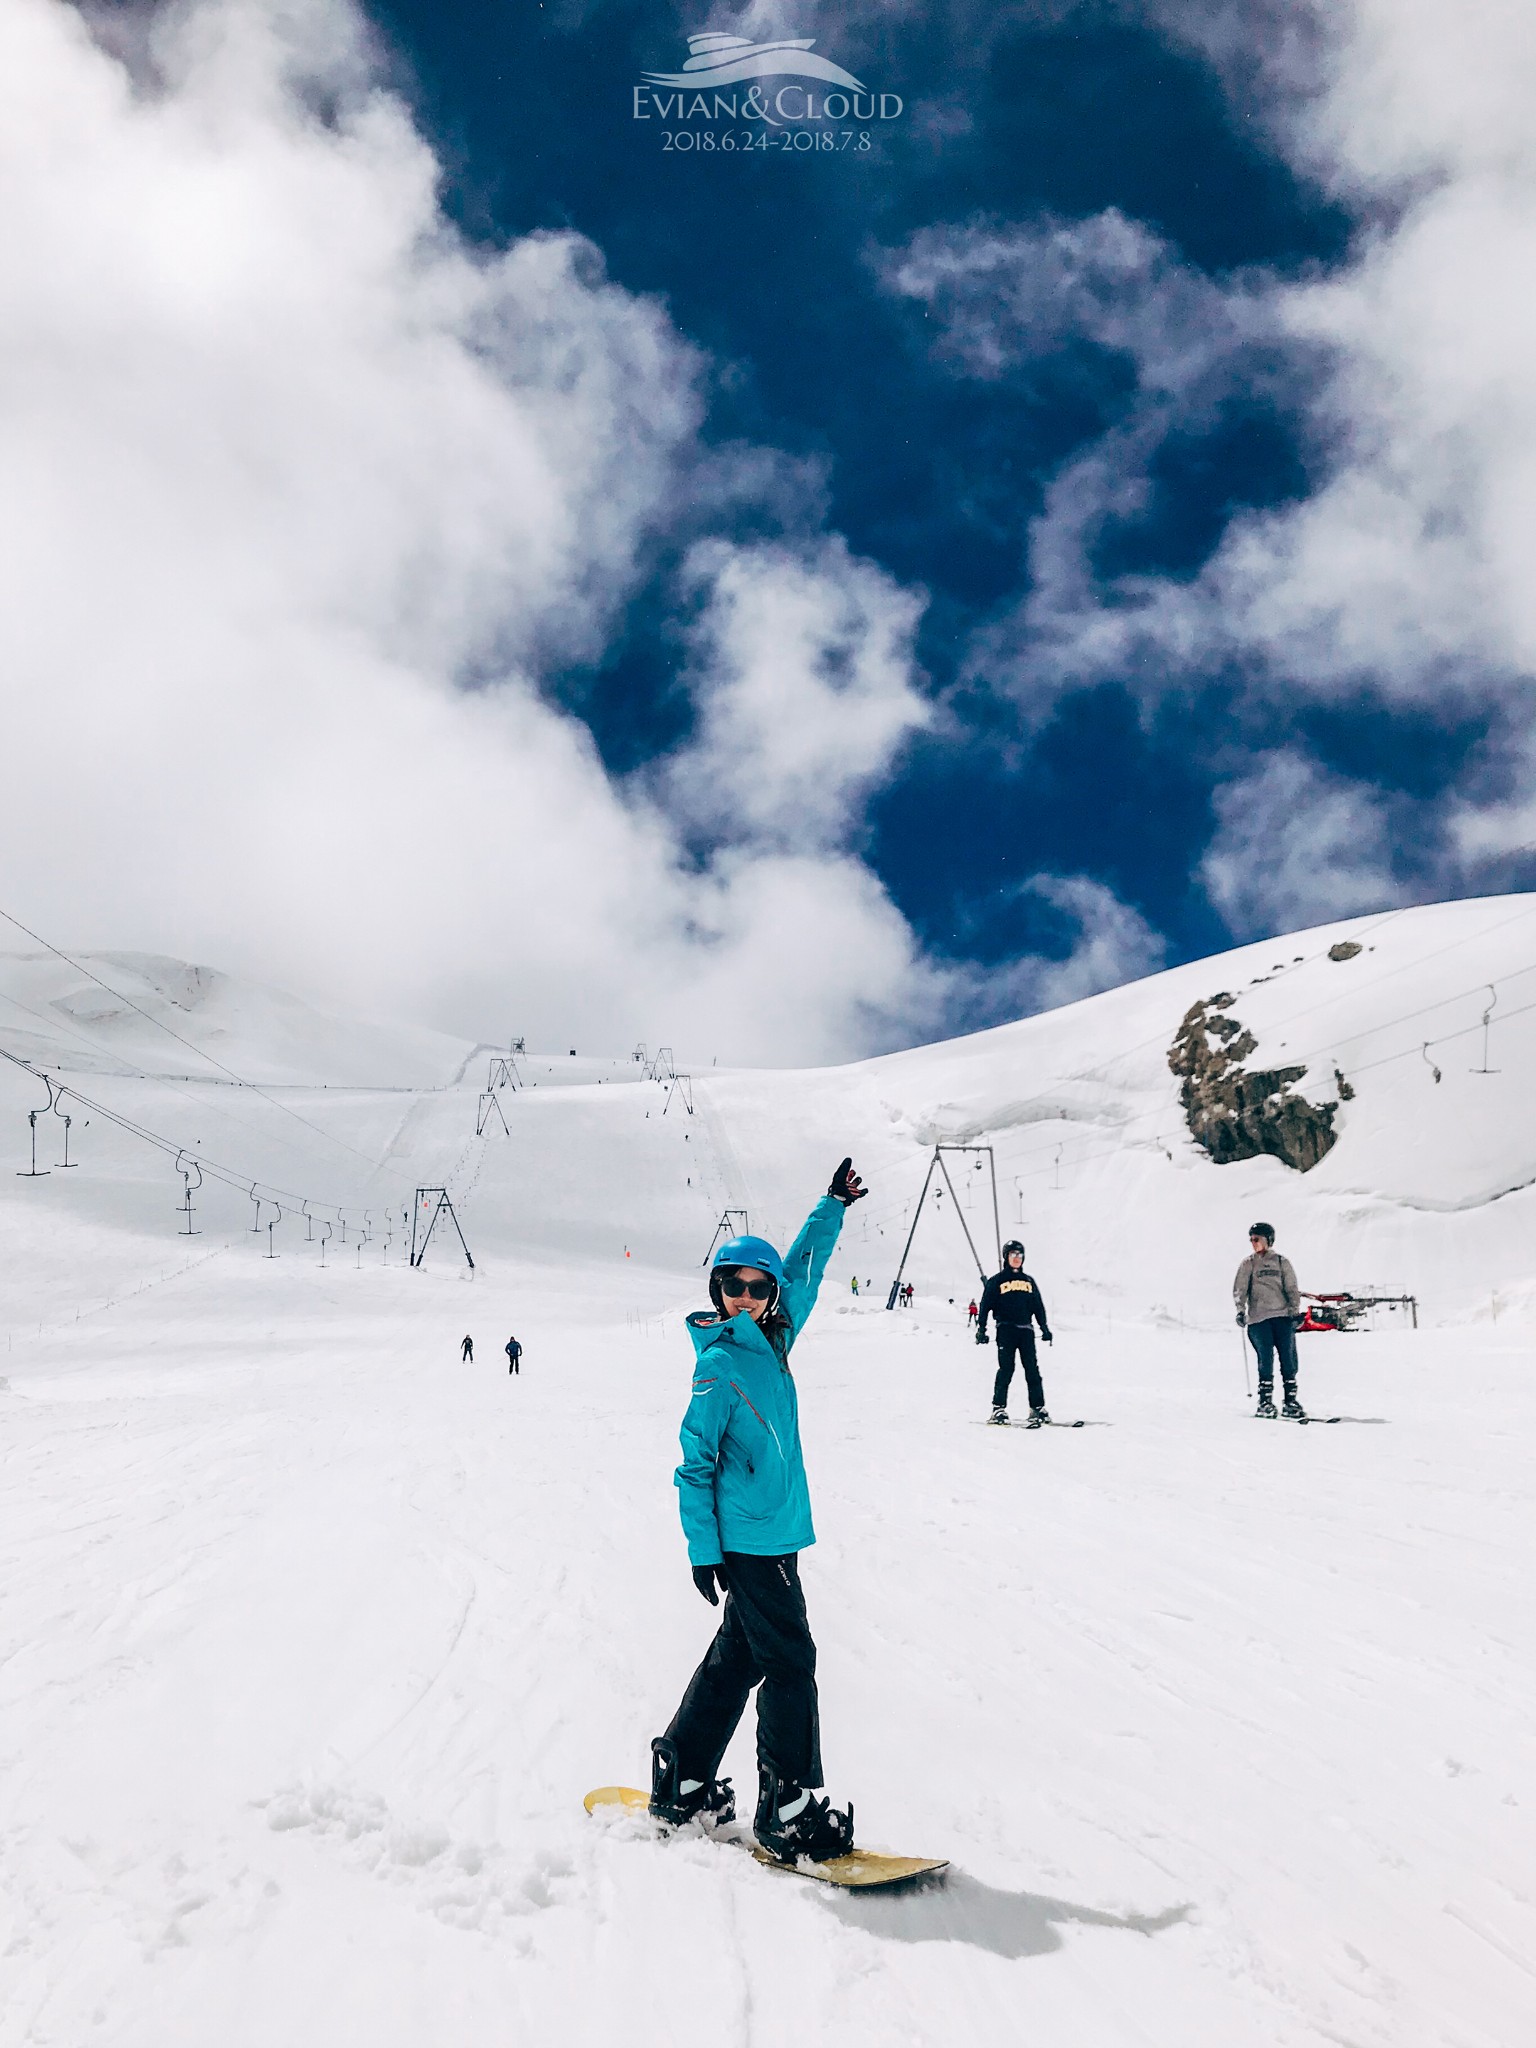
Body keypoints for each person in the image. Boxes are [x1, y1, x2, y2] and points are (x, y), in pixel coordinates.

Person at [649, 1156, 867, 1864]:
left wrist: (831, 1205)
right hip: (747, 1541)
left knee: (740, 1656)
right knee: (791, 1661)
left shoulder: (775, 1340)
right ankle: (789, 1804)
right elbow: (695, 1463)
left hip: (775, 1534)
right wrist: (703, 1550)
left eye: (757, 1288)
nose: (745, 1297)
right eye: (733, 1286)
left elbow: (803, 1267)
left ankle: (681, 1775)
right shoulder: (718, 1362)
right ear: (718, 1291)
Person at [976, 1241, 1053, 1425]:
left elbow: (1038, 1307)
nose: (1017, 1259)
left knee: (1032, 1370)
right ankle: (998, 1408)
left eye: (1020, 1255)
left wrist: (1044, 1328)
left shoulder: (1028, 1281)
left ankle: (1037, 1408)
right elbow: (985, 1306)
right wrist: (981, 1329)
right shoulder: (997, 1281)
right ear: (1006, 1257)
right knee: (1006, 1369)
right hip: (1006, 1330)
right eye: (1013, 1255)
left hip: (1026, 1330)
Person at [1234, 1222, 1304, 1418]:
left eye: (1257, 1239)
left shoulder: (1282, 1262)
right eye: (1251, 1240)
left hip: (1282, 1317)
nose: (1253, 1243)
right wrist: (1240, 1310)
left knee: (1288, 1359)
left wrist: (1294, 1310)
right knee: (1265, 1359)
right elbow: (1240, 1289)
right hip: (1258, 1319)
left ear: (1268, 1240)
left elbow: (1291, 1288)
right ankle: (1265, 1401)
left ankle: (1290, 1401)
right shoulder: (1248, 1263)